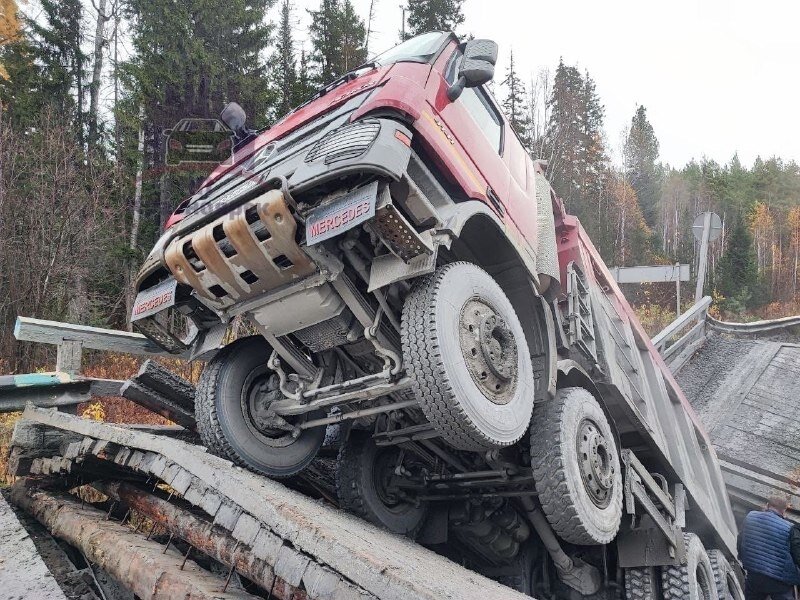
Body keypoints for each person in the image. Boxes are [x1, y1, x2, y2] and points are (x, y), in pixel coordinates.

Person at [738, 496, 800, 599]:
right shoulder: (790, 528)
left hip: (755, 575)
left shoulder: (750, 517)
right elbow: (797, 556)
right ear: (784, 511)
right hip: (780, 581)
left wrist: (742, 558)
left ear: (767, 505)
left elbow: (740, 541)